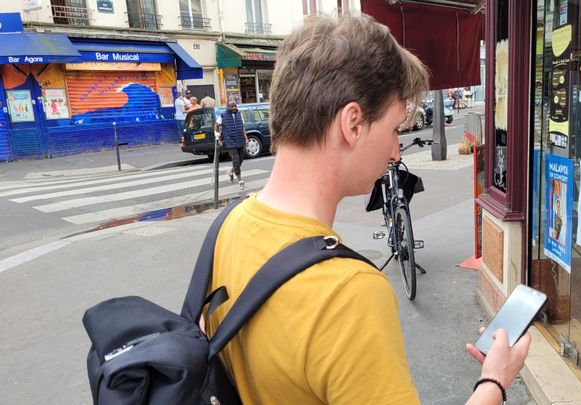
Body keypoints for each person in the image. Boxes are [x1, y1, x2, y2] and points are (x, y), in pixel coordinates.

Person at [205, 13, 530, 405]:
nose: (395, 151)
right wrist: (494, 381)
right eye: (394, 129)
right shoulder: (347, 295)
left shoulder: (227, 227)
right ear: (352, 123)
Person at [214, 101, 248, 189]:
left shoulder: (239, 114)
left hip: (240, 139)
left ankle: (230, 171)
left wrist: (246, 138)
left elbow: (242, 127)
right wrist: (217, 137)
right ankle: (240, 181)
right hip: (230, 141)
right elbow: (216, 126)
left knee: (241, 159)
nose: (234, 108)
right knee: (236, 160)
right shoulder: (222, 115)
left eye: (235, 106)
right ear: (228, 107)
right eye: (232, 106)